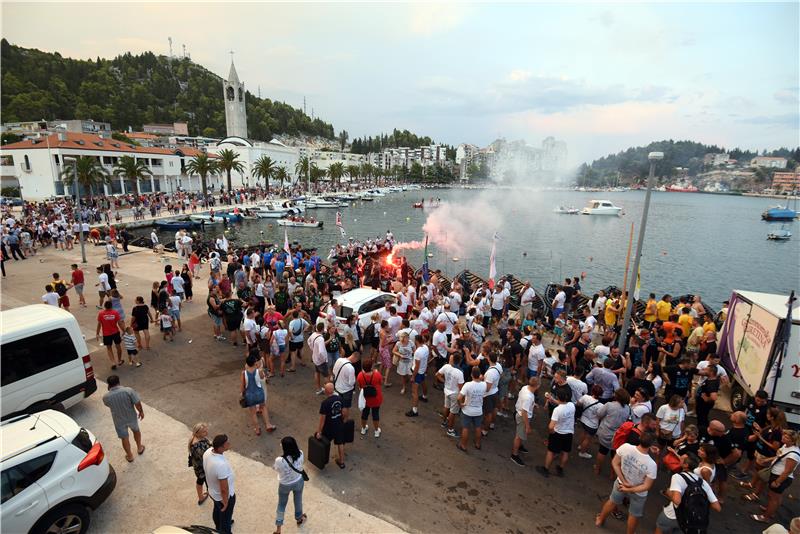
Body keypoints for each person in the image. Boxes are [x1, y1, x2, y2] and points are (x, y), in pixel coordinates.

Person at [595, 432, 658, 534]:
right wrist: (630, 489)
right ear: (651, 445)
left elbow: (615, 463)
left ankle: (600, 520)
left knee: (612, 501)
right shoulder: (651, 464)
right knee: (633, 515)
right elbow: (646, 486)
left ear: (640, 437)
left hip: (620, 484)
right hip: (638, 492)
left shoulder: (626, 447)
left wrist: (623, 481)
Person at [655, 452, 722, 534]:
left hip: (672, 515)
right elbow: (717, 507)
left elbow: (677, 500)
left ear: (686, 465)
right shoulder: (703, 483)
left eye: (682, 459)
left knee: (660, 530)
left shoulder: (677, 477)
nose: (679, 459)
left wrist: (669, 493)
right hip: (688, 521)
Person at [744, 429, 800, 524]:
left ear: (793, 441)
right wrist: (768, 460)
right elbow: (779, 456)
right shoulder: (786, 446)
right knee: (775, 497)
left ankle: (765, 517)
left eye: (786, 437)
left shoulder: (793, 455)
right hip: (776, 474)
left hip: (780, 477)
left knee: (773, 498)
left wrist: (777, 482)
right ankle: (771, 511)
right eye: (784, 435)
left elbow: (788, 471)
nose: (783, 437)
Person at [102, 375, 145, 462]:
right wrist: (141, 412)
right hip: (131, 417)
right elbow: (137, 403)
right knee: (136, 431)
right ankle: (139, 448)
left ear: (109, 385)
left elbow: (108, 404)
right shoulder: (128, 391)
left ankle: (130, 456)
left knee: (124, 438)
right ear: (118, 382)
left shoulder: (106, 397)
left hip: (118, 420)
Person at [536, 388, 575, 478]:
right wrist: (551, 399)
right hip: (569, 432)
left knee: (551, 451)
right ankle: (560, 468)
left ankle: (545, 469)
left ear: (558, 397)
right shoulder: (571, 405)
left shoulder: (557, 410)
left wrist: (551, 432)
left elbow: (551, 426)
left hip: (558, 433)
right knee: (565, 452)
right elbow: (562, 403)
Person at [273, 436, 308, 533]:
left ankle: (278, 529)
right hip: (298, 481)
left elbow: (276, 469)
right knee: (298, 500)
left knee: (281, 505)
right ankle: (299, 518)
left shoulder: (280, 460)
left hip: (284, 485)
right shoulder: (301, 453)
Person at [203, 434, 236, 534]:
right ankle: (224, 530)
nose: (229, 444)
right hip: (223, 497)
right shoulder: (221, 465)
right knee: (225, 520)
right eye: (227, 443)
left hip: (213, 492)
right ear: (221, 447)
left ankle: (218, 527)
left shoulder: (208, 452)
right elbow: (224, 489)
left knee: (217, 511)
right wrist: (225, 502)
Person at [241, 354, 277, 436]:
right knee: (263, 408)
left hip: (250, 395)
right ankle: (268, 425)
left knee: (253, 413)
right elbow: (262, 378)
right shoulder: (259, 371)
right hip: (259, 393)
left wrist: (243, 394)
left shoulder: (243, 373)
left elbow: (242, 387)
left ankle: (257, 429)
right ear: (255, 363)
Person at [315, 383, 346, 469]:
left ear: (326, 391)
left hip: (329, 428)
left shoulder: (325, 403)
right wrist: (341, 420)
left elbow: (323, 419)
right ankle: (342, 462)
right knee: (340, 443)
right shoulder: (340, 399)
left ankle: (322, 460)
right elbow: (344, 412)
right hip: (339, 425)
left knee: (324, 443)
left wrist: (319, 431)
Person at [510, 376, 539, 466]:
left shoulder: (525, 387)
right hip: (522, 417)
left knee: (520, 434)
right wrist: (527, 426)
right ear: (537, 386)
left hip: (517, 412)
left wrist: (533, 404)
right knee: (518, 436)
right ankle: (514, 455)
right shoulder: (529, 397)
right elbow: (524, 412)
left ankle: (519, 446)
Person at [457, 366, 485, 452]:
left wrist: (460, 405)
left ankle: (463, 445)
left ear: (471, 375)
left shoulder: (468, 385)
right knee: (478, 427)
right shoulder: (484, 385)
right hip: (478, 410)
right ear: (479, 375)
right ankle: (477, 444)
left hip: (467, 410)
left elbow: (459, 398)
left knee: (465, 428)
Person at [356, 358, 383, 438]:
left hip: (365, 399)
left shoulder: (360, 375)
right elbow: (380, 383)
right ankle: (376, 431)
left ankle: (363, 429)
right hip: (376, 398)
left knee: (364, 414)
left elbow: (360, 386)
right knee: (375, 414)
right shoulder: (377, 374)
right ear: (371, 367)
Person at [406, 333, 430, 417]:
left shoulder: (418, 352)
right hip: (422, 371)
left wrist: (413, 376)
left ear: (416, 341)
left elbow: (417, 366)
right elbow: (427, 359)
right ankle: (424, 396)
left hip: (417, 372)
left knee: (414, 392)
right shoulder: (426, 347)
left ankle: (414, 410)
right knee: (423, 383)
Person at [96, 300, 125, 369]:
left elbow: (99, 324)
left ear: (105, 306)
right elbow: (120, 323)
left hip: (106, 334)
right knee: (118, 346)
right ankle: (119, 360)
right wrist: (124, 330)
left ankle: (113, 362)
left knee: (109, 348)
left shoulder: (101, 314)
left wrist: (97, 333)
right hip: (115, 332)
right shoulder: (115, 313)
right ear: (111, 306)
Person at [189, 423, 211, 506]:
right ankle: (204, 496)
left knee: (200, 481)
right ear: (198, 433)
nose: (207, 433)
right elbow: (206, 456)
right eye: (204, 432)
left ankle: (201, 497)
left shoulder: (195, 438)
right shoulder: (198, 446)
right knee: (206, 481)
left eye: (206, 430)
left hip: (198, 467)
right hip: (202, 468)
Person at [332, 350, 358, 421]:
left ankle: (338, 417)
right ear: (355, 359)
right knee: (346, 407)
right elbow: (351, 383)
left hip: (337, 387)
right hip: (347, 391)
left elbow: (333, 371)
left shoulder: (339, 359)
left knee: (338, 404)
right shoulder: (351, 368)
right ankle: (345, 420)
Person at [309, 322, 328, 395]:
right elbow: (321, 352)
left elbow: (308, 341)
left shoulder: (313, 334)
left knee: (317, 372)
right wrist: (324, 359)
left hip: (315, 358)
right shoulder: (321, 339)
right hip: (320, 360)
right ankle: (329, 391)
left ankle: (318, 389)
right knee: (326, 375)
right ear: (323, 329)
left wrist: (313, 349)